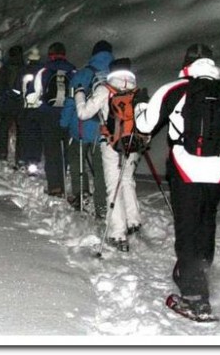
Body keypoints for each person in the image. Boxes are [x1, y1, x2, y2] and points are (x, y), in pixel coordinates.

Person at [134, 43, 220, 317]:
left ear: (187, 63)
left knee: (187, 227)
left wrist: (141, 105)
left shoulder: (174, 90)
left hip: (185, 167)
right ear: (212, 64)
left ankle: (195, 296)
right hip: (218, 170)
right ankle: (197, 272)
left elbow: (144, 126)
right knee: (206, 221)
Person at [74, 57, 143, 252]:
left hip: (111, 143)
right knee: (128, 180)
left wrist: (80, 94)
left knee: (113, 186)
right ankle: (134, 221)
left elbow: (84, 114)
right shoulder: (137, 91)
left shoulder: (105, 89)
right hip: (133, 143)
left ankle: (117, 233)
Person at [60, 40, 113, 218]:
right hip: (105, 128)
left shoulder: (82, 74)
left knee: (76, 160)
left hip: (81, 127)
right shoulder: (115, 74)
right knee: (101, 168)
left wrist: (64, 123)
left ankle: (81, 195)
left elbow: (70, 102)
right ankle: (101, 205)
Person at [35, 42, 76, 196]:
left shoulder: (44, 71)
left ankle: (55, 186)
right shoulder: (73, 70)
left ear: (50, 54)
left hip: (48, 115)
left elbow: (37, 93)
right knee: (65, 150)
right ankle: (64, 182)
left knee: (51, 151)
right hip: (68, 114)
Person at [0, 45, 25, 164]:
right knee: (21, 129)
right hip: (21, 103)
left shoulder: (5, 68)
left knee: (3, 127)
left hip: (7, 102)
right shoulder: (25, 68)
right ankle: (20, 157)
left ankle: (2, 152)